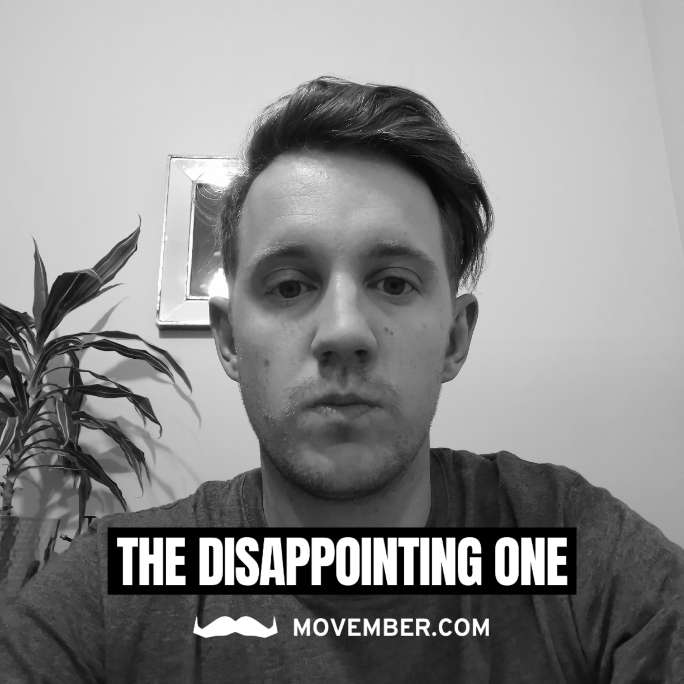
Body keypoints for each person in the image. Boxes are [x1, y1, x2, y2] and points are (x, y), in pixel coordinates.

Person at [1, 76, 683, 683]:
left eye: (394, 282)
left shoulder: (579, 546)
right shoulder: (104, 596)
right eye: (290, 285)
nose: (344, 331)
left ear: (455, 338)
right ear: (230, 339)